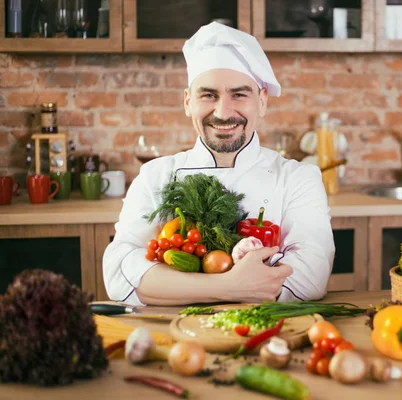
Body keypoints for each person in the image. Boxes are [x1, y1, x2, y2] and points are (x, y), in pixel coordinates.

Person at [103, 22, 335, 306]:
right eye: (208, 95)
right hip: (174, 338)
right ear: (188, 102)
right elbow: (118, 274)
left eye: (239, 94)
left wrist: (169, 283)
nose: (224, 112)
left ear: (262, 102)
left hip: (263, 335)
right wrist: (228, 286)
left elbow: (310, 277)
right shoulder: (156, 176)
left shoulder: (298, 179)